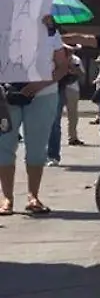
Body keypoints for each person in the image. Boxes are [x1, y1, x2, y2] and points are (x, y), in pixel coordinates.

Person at [0, 14, 69, 216]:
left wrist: (39, 85)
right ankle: (7, 198)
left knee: (37, 146)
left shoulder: (50, 33)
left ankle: (33, 196)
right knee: (4, 145)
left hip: (42, 95)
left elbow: (62, 66)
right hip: (6, 95)